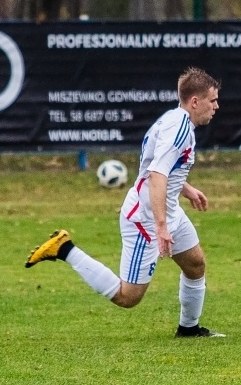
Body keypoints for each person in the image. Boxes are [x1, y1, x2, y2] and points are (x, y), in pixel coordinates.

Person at [25, 67, 226, 338]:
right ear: (194, 101)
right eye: (212, 100)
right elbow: (157, 173)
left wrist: (185, 189)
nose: (216, 106)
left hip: (166, 211)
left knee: (195, 264)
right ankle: (64, 248)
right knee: (127, 296)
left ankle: (188, 329)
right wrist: (161, 226)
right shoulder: (178, 129)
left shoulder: (175, 120)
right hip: (145, 217)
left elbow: (159, 165)